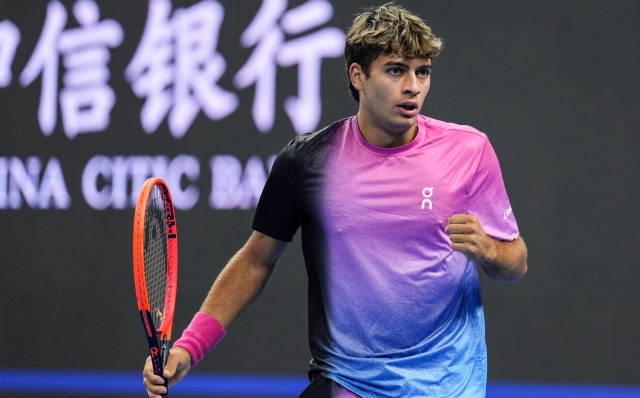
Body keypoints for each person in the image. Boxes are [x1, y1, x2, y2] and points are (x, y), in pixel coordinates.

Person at [143, 3, 527, 397]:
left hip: (448, 386)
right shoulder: (309, 160)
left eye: (422, 71)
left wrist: (488, 250)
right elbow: (256, 260)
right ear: (358, 76)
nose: (413, 86)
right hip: (346, 382)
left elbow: (515, 263)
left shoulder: (468, 150)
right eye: (396, 70)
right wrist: (190, 347)